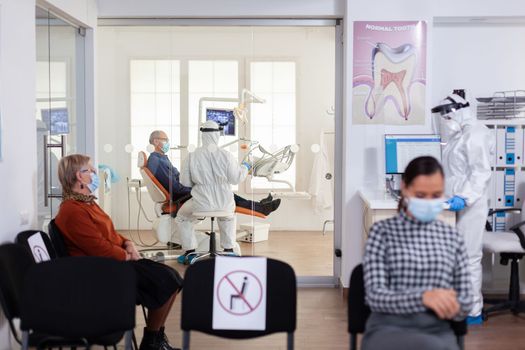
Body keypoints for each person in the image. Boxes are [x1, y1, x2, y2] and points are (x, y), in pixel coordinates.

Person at [54, 154, 183, 350]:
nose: (96, 173)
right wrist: (126, 255)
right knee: (167, 280)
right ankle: (151, 341)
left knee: (172, 278)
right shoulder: (71, 211)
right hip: (102, 271)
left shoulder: (87, 202)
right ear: (79, 176)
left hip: (115, 263)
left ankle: (155, 338)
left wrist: (128, 243)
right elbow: (98, 248)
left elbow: (110, 234)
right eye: (91, 170)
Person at [362, 156, 473, 350]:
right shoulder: (382, 232)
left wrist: (454, 306)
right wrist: (424, 297)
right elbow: (375, 297)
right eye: (421, 195)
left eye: (436, 195)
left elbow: (465, 300)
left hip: (437, 329)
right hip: (387, 329)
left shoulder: (452, 237)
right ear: (404, 188)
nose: (429, 202)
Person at [432, 93, 495, 325]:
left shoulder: (476, 133)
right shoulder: (459, 135)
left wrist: (463, 198)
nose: (445, 119)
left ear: (459, 110)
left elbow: (480, 173)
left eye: (446, 114)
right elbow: (455, 173)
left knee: (469, 257)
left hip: (472, 203)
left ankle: (473, 311)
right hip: (455, 201)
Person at [146, 130, 281, 215]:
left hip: (184, 192)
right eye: (165, 140)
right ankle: (260, 207)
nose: (168, 143)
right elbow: (174, 187)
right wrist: (197, 186)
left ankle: (260, 205)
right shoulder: (156, 161)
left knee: (226, 193)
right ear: (156, 141)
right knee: (225, 194)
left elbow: (179, 179)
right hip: (181, 196)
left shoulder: (161, 158)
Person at [174, 121, 251, 263]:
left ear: (202, 134)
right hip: (224, 202)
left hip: (201, 203)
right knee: (227, 217)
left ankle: (190, 252)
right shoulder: (226, 155)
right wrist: (245, 167)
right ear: (217, 135)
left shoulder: (192, 156)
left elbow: (185, 182)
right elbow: (236, 178)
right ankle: (228, 251)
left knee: (182, 217)